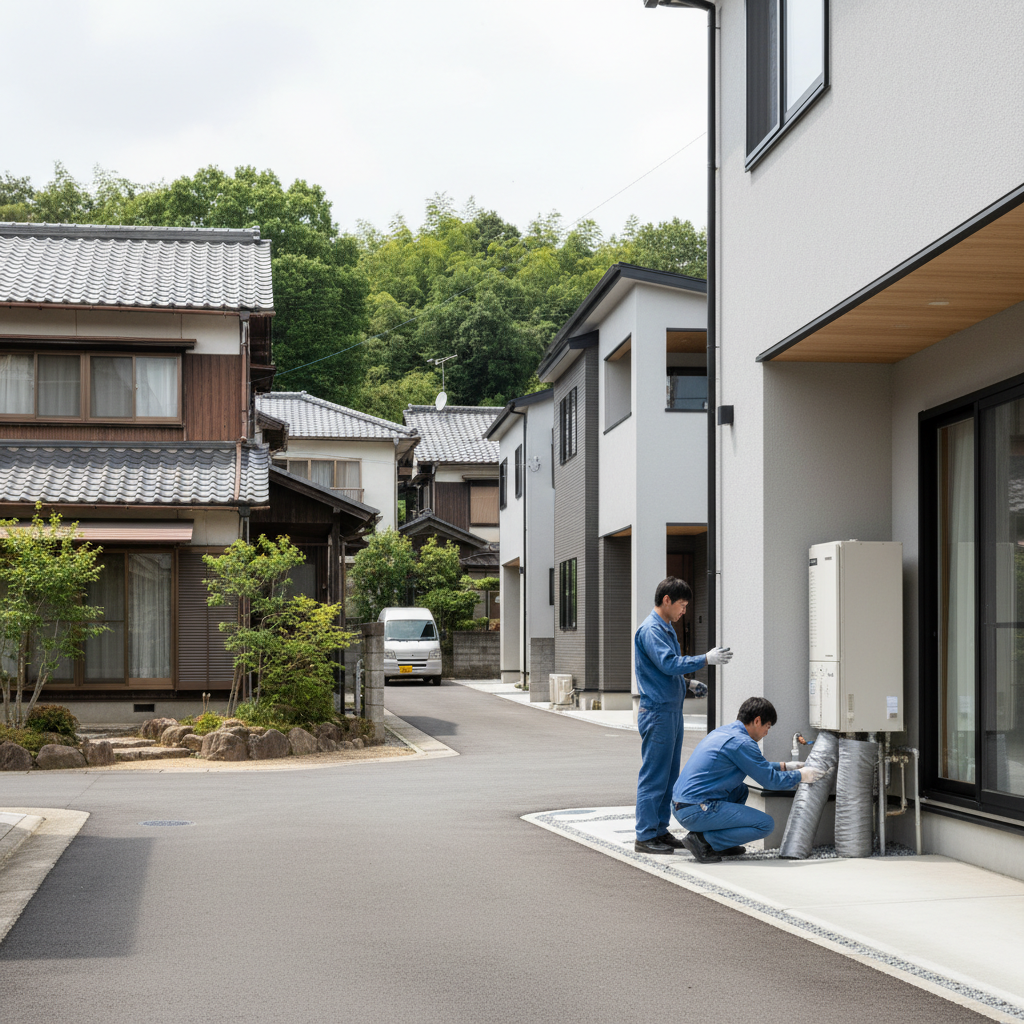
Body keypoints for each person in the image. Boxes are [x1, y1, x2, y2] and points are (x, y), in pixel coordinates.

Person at [634, 576, 734, 855]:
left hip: (669, 711)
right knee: (655, 775)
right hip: (658, 712)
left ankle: (659, 830)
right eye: (681, 604)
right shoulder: (652, 630)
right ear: (666, 600)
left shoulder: (664, 628)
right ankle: (645, 835)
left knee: (667, 776)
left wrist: (687, 684)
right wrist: (705, 659)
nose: (684, 610)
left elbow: (662, 670)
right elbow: (667, 664)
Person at [671, 696, 822, 863]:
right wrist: (802, 775)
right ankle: (703, 841)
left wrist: (785, 766)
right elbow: (771, 781)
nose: (767, 732)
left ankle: (719, 843)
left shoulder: (725, 732)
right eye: (768, 726)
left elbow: (755, 765)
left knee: (740, 789)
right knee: (765, 824)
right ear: (757, 721)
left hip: (682, 805)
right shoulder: (743, 743)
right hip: (696, 809)